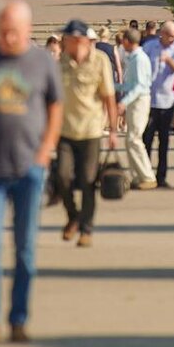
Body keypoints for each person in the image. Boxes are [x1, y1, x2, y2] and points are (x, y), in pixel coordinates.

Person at [0, 0, 63, 344]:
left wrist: (46, 150)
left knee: (25, 248)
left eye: (14, 32)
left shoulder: (42, 62)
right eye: (2, 32)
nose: (7, 38)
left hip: (28, 168)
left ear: (28, 30)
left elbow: (56, 107)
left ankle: (18, 319)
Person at [57, 19, 118, 248]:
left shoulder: (100, 60)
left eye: (68, 38)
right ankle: (73, 215)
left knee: (88, 180)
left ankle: (86, 229)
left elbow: (109, 97)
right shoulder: (60, 62)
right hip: (65, 130)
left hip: (91, 130)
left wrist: (113, 130)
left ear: (80, 40)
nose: (64, 42)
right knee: (62, 176)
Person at [142, 22, 174, 188]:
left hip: (168, 100)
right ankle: (146, 175)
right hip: (150, 99)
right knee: (146, 139)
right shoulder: (150, 46)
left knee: (164, 140)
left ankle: (161, 177)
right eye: (170, 36)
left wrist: (168, 59)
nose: (173, 39)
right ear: (163, 34)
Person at [117, 28, 157, 190]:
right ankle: (137, 175)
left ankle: (147, 176)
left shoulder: (139, 58)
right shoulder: (134, 58)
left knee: (134, 139)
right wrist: (113, 86)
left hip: (139, 100)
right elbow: (130, 84)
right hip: (136, 99)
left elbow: (140, 86)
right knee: (130, 140)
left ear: (127, 41)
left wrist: (123, 102)